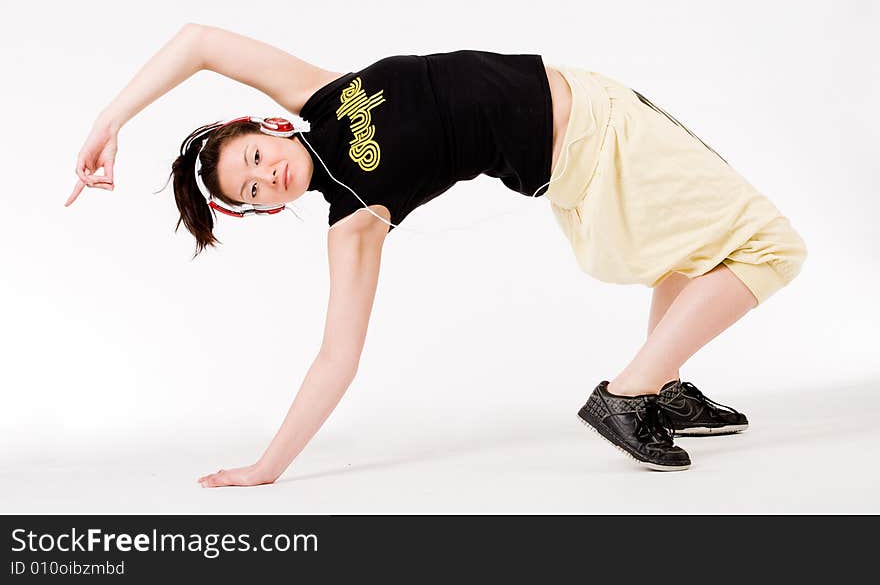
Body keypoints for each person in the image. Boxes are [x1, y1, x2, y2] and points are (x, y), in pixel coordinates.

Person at [65, 24, 807, 484]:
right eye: (254, 191)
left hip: (583, 119)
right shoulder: (353, 217)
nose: (268, 177)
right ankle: (629, 392)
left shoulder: (320, 94)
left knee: (695, 244)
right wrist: (268, 466)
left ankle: (663, 386)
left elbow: (198, 40)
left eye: (256, 157)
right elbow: (336, 357)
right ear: (266, 210)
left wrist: (111, 119)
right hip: (593, 139)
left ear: (265, 124)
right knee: (773, 246)